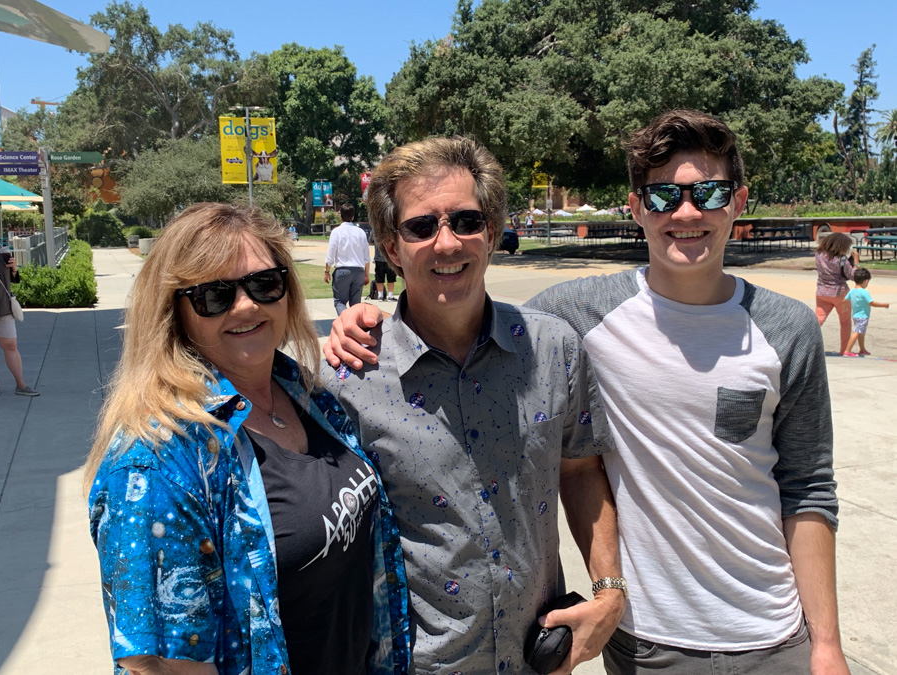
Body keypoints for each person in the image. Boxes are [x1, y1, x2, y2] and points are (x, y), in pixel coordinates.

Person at [327, 112, 849, 674]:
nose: (687, 212)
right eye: (664, 196)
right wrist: (358, 319)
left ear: (739, 202)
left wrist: (827, 645)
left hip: (771, 630)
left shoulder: (783, 328)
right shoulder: (569, 320)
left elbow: (808, 487)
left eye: (710, 193)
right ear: (637, 208)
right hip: (642, 644)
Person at [323, 136, 624, 674]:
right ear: (391, 248)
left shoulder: (554, 349)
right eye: (421, 227)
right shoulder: (347, 377)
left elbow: (580, 470)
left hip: (538, 658)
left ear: (490, 232)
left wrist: (608, 593)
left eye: (466, 221)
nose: (447, 243)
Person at [84, 203, 410, 675]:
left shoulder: (299, 388)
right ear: (173, 311)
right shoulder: (157, 462)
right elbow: (161, 666)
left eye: (264, 283)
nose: (246, 305)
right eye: (213, 296)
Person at [0, 247, 38, 396]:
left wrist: (14, 268)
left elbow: (12, 279)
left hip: (3, 307)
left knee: (11, 346)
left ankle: (21, 385)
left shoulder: (2, 252)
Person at [814, 232, 858, 355]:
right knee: (845, 323)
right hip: (840, 293)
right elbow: (853, 276)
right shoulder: (841, 259)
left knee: (817, 321)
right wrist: (856, 262)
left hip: (822, 291)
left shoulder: (819, 254)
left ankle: (802, 344)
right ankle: (845, 350)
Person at [324, 203, 371, 315]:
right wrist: (366, 274)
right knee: (356, 304)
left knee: (340, 301)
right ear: (353, 217)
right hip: (359, 271)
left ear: (340, 216)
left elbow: (331, 254)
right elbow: (366, 257)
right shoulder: (361, 232)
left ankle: (346, 323)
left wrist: (327, 271)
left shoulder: (336, 232)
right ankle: (355, 326)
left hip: (343, 270)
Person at [843, 267, 890, 356]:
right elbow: (871, 303)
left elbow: (844, 300)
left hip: (855, 315)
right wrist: (884, 305)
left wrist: (845, 308)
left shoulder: (852, 291)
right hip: (862, 316)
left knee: (861, 332)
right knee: (857, 332)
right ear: (866, 281)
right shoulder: (864, 292)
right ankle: (847, 351)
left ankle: (862, 349)